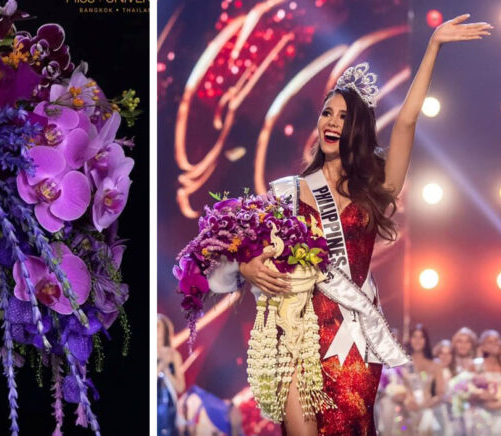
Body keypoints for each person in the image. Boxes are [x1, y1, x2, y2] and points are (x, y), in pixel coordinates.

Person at [211, 14, 492, 436]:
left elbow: (407, 123)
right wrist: (246, 267)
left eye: (343, 117)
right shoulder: (289, 192)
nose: (331, 123)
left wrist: (432, 46)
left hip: (353, 336)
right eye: (327, 113)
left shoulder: (374, 186)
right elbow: (235, 252)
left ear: (356, 129)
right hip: (299, 334)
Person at [401, 325, 445, 435]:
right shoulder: (402, 363)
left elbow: (440, 393)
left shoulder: (435, 365)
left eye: (421, 337)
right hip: (406, 412)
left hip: (427, 411)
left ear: (426, 340)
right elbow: (397, 388)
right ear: (410, 339)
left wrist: (428, 403)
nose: (418, 340)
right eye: (414, 336)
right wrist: (406, 401)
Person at [465, 329, 501, 435]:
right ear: (483, 346)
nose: (495, 344)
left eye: (497, 340)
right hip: (482, 414)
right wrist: (480, 395)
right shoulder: (476, 365)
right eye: (490, 342)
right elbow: (467, 391)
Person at [157, 314, 186, 436]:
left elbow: (180, 387)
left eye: (157, 326)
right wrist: (162, 364)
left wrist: (168, 372)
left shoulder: (174, 355)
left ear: (165, 331)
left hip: (169, 408)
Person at [433, 339, 456, 435]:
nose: (445, 357)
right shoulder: (432, 373)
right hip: (435, 411)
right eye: (442, 353)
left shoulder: (456, 373)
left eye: (448, 354)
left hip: (453, 412)